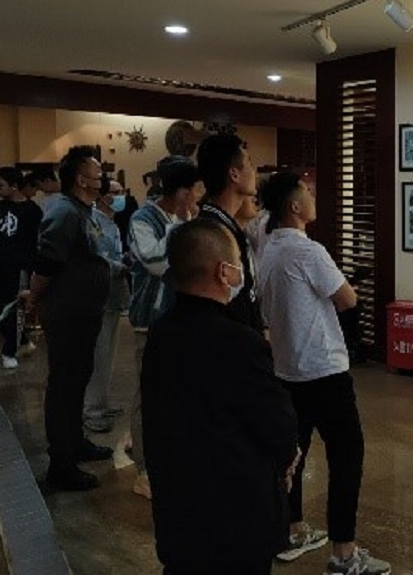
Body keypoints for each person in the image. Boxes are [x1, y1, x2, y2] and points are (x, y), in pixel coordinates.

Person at [143, 218, 300, 575]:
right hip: (235, 516)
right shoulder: (239, 341)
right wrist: (287, 456)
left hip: (177, 509)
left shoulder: (161, 333)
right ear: (223, 272)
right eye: (238, 263)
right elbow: (277, 423)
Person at [258, 171, 391, 575]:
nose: (314, 197)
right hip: (323, 370)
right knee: (347, 457)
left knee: (293, 455)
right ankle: (344, 553)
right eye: (308, 193)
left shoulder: (268, 248)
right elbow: (347, 298)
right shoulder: (308, 250)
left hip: (286, 369)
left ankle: (292, 529)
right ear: (294, 206)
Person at [21, 146, 112, 491]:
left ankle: (76, 442)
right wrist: (34, 298)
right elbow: (47, 261)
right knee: (63, 385)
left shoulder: (84, 209)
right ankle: (61, 464)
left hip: (85, 310)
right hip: (67, 311)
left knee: (78, 379)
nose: (102, 178)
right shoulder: (63, 210)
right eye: (98, 173)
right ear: (81, 179)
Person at [126, 158, 201, 500]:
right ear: (182, 192)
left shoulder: (187, 218)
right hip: (151, 319)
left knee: (179, 392)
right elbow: (156, 262)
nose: (199, 196)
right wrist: (181, 227)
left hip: (182, 317)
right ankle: (144, 470)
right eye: (195, 189)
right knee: (149, 395)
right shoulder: (143, 219)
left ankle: (172, 457)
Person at [196, 134, 261, 330]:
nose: (255, 172)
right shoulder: (212, 233)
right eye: (249, 164)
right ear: (234, 174)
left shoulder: (225, 226)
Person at [83, 177, 130, 433]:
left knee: (108, 353)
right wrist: (122, 265)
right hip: (99, 295)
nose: (120, 196)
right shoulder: (94, 222)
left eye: (121, 191)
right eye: (115, 192)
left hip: (113, 294)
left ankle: (102, 401)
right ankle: (92, 409)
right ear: (102, 196)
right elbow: (98, 259)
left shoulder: (111, 222)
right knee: (99, 354)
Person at [0, 167, 42, 369]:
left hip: (20, 266)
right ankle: (23, 340)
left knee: (14, 307)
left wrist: (32, 269)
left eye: (1, 185)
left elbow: (35, 241)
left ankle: (10, 350)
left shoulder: (32, 211)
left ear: (15, 186)